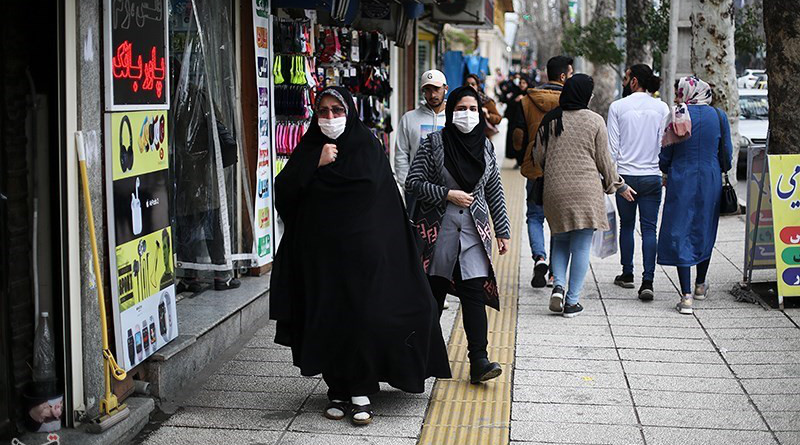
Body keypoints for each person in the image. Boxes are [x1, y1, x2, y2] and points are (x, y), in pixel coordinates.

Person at [270, 87, 451, 425]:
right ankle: (337, 387)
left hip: (363, 257)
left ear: (350, 112)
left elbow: (381, 203)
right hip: (319, 258)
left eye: (337, 110)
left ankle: (362, 390)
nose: (329, 118)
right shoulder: (310, 147)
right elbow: (285, 193)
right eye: (323, 111)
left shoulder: (367, 146)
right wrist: (314, 162)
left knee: (362, 318)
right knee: (328, 319)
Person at [406, 86, 511, 384]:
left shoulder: (486, 147)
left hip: (474, 235)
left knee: (473, 296)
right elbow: (413, 183)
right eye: (462, 109)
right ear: (451, 112)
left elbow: (494, 191)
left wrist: (502, 230)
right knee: (432, 298)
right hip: (437, 234)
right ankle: (418, 357)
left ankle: (479, 360)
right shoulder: (434, 144)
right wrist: (446, 194)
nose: (467, 115)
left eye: (473, 109)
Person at [534, 74, 635, 317]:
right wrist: (618, 186)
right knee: (580, 246)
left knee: (559, 239)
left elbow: (538, 158)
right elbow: (604, 161)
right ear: (584, 95)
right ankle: (572, 301)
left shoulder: (550, 120)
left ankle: (558, 285)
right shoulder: (594, 121)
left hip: (555, 190)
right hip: (586, 191)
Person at [658, 76, 733, 314]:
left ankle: (686, 295)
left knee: (681, 230)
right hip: (710, 178)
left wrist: (667, 168)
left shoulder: (677, 113)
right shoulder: (719, 117)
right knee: (704, 227)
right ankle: (700, 284)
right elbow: (727, 157)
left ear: (684, 92)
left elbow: (665, 156)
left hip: (681, 178)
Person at [607, 64, 670, 300]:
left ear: (634, 81)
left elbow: (611, 149)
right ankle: (648, 280)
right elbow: (664, 144)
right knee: (649, 228)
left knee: (626, 225)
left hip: (625, 176)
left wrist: (612, 179)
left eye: (626, 78)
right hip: (652, 175)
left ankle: (627, 273)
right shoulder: (662, 108)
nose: (624, 82)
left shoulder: (617, 107)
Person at [173, 83, 241, 292]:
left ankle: (189, 277)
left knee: (187, 227)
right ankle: (220, 275)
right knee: (212, 228)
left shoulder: (174, 100)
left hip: (183, 174)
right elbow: (222, 133)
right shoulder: (202, 98)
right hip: (205, 174)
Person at [514, 56, 574, 288]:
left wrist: (525, 154)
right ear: (562, 76)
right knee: (557, 220)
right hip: (562, 167)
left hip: (535, 167)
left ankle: (540, 258)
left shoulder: (528, 100)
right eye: (570, 74)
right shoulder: (570, 101)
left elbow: (518, 137)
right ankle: (553, 274)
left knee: (535, 216)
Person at [395, 69, 448, 214]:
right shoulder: (409, 118)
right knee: (417, 234)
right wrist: (407, 184)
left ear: (445, 88)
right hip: (417, 191)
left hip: (448, 192)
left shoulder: (454, 118)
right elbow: (401, 154)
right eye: (428, 90)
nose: (432, 95)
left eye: (436, 89)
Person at [504, 74, 530, 164]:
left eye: (524, 83)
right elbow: (507, 102)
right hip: (514, 122)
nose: (522, 85)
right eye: (520, 83)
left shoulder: (530, 94)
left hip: (525, 123)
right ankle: (517, 160)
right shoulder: (515, 92)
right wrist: (515, 100)